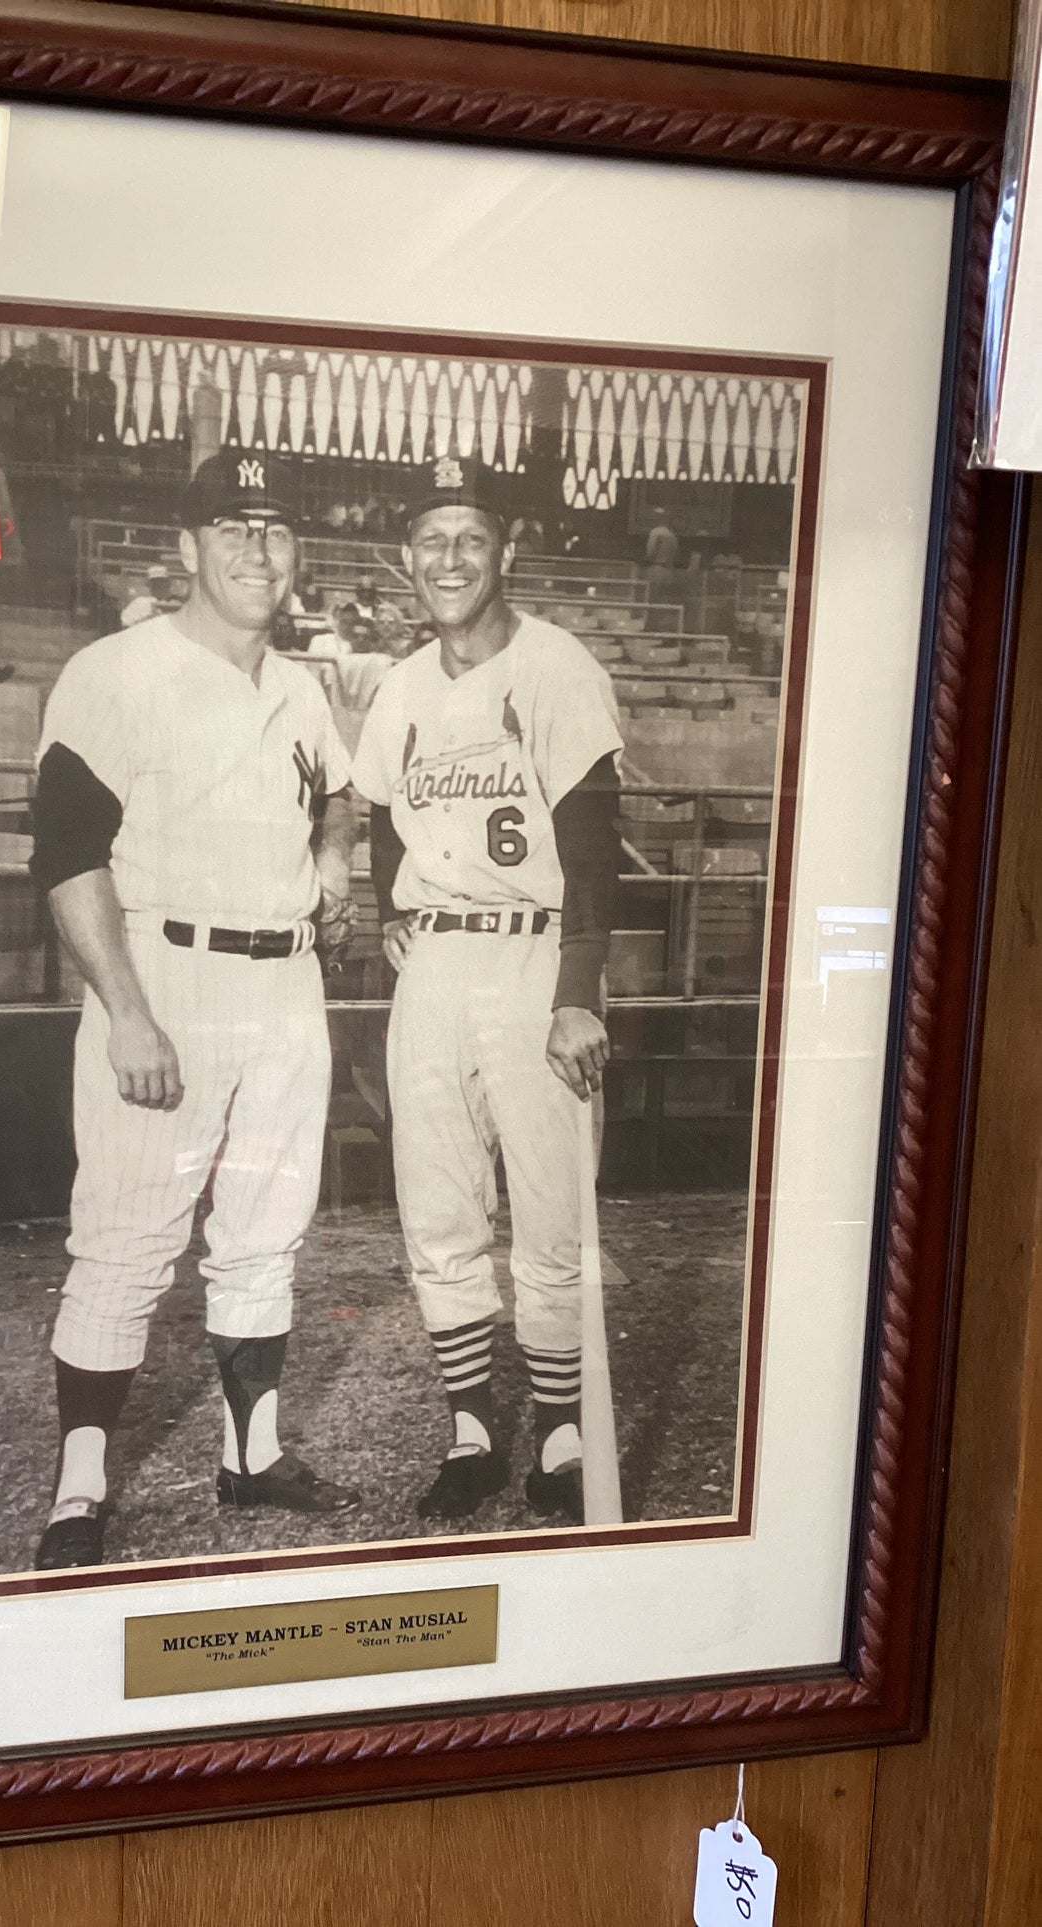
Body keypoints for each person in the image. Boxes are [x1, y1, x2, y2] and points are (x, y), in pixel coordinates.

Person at [29, 449, 362, 1570]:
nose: (257, 549)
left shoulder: (302, 685)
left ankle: (250, 1455)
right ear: (185, 547)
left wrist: (333, 872)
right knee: (125, 1237)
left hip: (282, 983)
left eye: (274, 529)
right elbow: (67, 857)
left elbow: (336, 799)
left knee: (265, 1234)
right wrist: (123, 1011)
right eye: (232, 527)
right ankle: (80, 1486)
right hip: (162, 973)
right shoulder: (115, 670)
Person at [350, 456, 623, 1526]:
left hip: (530, 951)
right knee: (437, 1196)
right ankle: (469, 1426)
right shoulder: (403, 684)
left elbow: (595, 843)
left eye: (469, 538)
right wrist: (385, 910)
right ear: (404, 560)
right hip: (436, 960)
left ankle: (555, 1432)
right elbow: (378, 812)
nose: (449, 559)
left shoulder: (555, 666)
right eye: (430, 541)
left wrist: (576, 990)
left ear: (505, 550)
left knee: (551, 1201)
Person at [120, 562, 170, 628]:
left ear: (168, 585)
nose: (159, 586)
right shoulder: (140, 602)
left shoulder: (175, 605)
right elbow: (125, 623)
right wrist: (148, 618)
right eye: (155, 583)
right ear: (149, 585)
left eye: (162, 582)